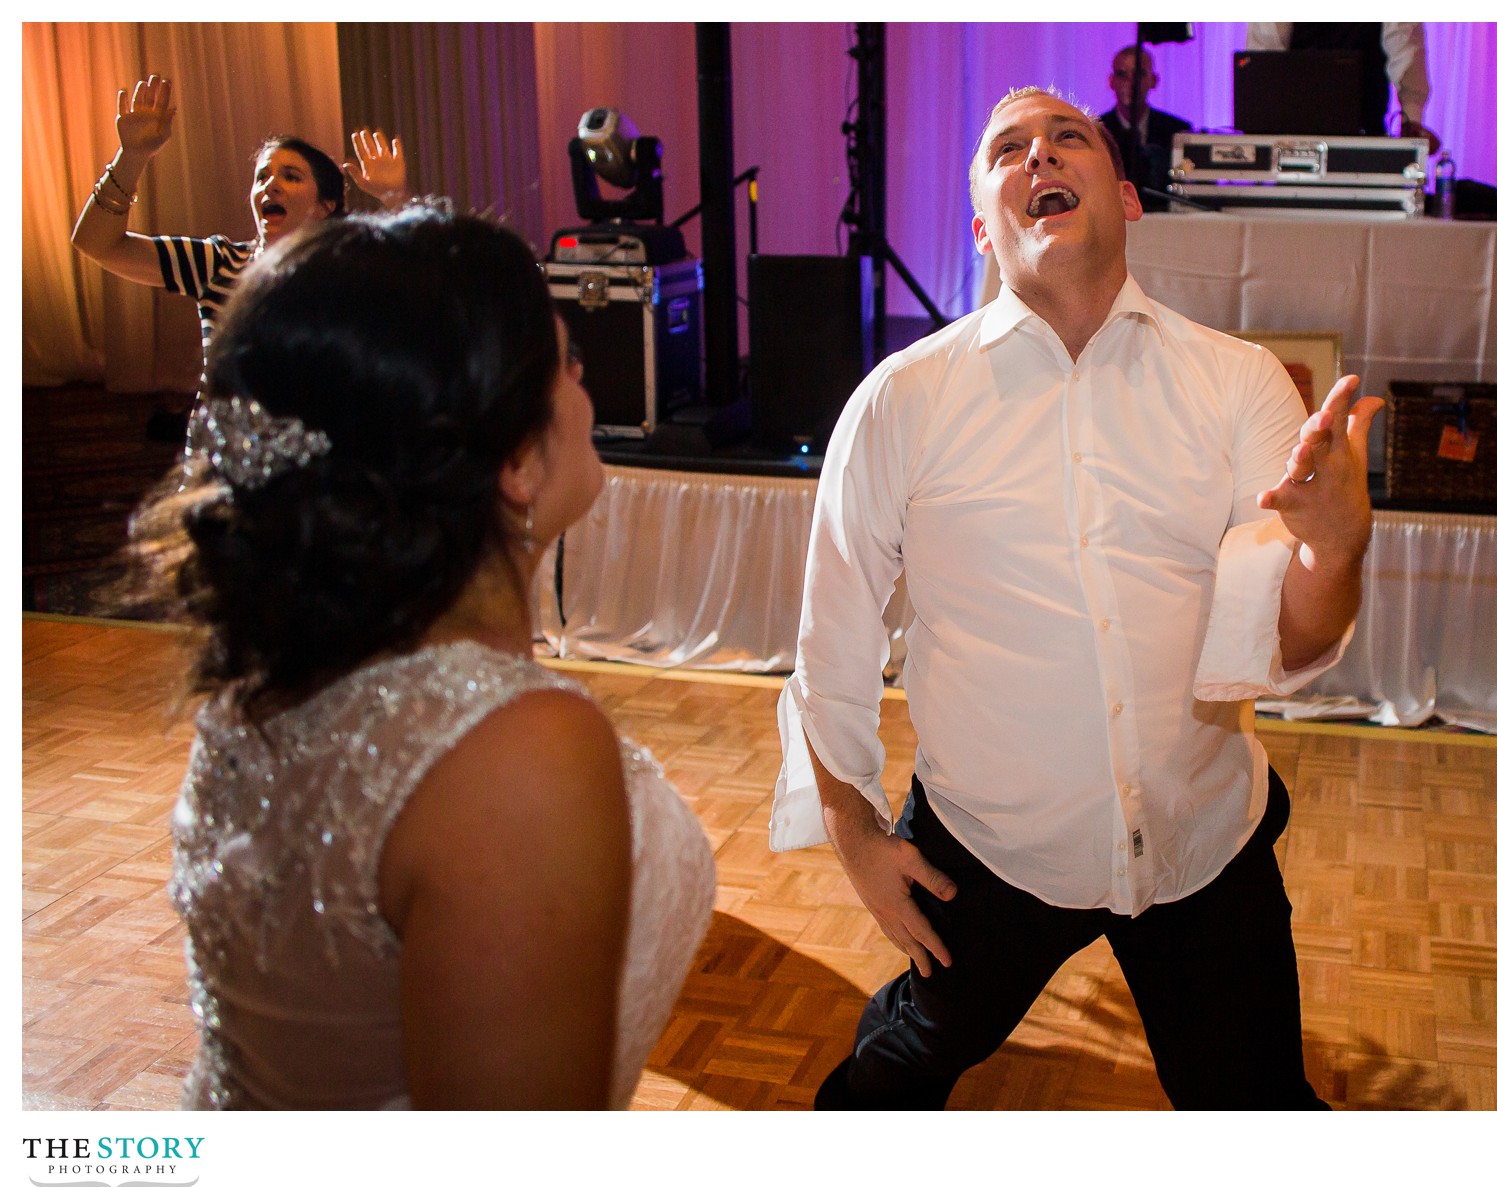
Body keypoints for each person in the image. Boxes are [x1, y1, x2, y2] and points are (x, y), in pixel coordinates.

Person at [771, 85, 1381, 1110]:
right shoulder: (901, 401)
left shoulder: (1235, 384)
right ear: (980, 224)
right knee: (898, 1070)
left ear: (1126, 196)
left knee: (1256, 1105)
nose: (1039, 158)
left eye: (1067, 140)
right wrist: (854, 834)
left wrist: (1336, 549)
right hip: (986, 848)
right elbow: (829, 638)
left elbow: (1280, 641)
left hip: (1201, 842)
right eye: (1008, 149)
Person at [123, 203, 715, 1108]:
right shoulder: (514, 751)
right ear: (517, 458)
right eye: (567, 361)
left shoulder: (271, 680)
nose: (588, 384)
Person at [70, 74, 410, 444]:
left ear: (325, 207)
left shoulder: (346, 272)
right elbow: (96, 243)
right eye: (262, 176)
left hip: (320, 471)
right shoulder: (219, 263)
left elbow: (426, 298)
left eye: (291, 176)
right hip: (222, 467)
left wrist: (396, 199)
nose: (271, 185)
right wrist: (131, 157)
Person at [1245, 22, 1441, 153]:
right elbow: (1263, 59)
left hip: (1363, 140)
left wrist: (1412, 120)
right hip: (1292, 144)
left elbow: (1406, 49)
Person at [1101, 43, 1191, 211]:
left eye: (1139, 75)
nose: (1131, 83)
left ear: (1154, 80)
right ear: (1111, 81)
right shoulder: (1097, 131)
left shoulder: (1177, 131)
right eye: (1122, 75)